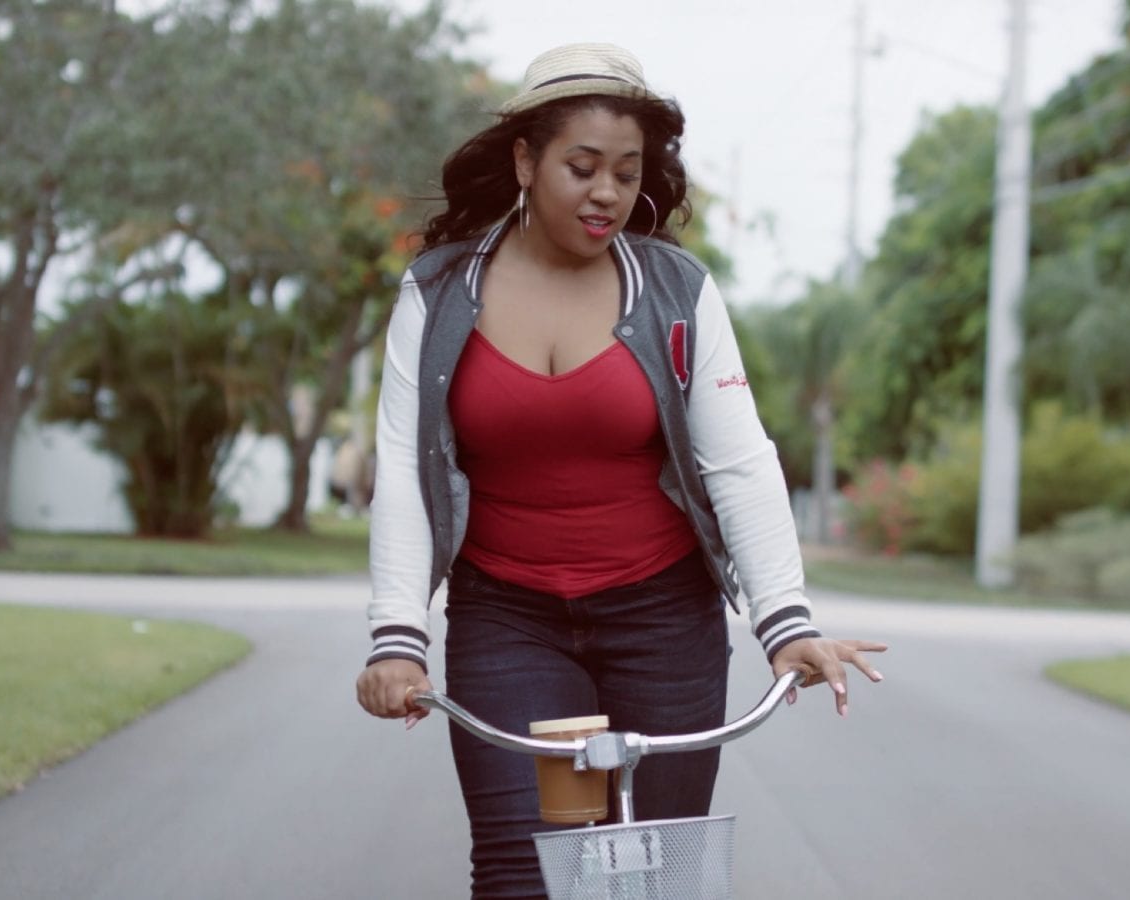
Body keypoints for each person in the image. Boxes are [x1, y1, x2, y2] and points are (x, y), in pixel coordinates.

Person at [354, 43, 887, 898]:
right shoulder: (438, 293)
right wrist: (397, 640)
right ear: (526, 160)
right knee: (523, 874)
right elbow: (405, 469)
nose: (607, 192)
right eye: (583, 166)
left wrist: (785, 623)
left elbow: (740, 464)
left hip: (664, 624)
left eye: (627, 172)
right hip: (508, 619)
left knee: (658, 880)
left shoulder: (677, 290)